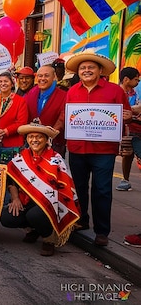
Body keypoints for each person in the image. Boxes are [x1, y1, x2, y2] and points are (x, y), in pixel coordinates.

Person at [56, 50, 131, 247]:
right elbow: (66, 116)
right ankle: (81, 220)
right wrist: (54, 130)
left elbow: (126, 114)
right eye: (83, 68)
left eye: (91, 67)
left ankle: (102, 231)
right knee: (78, 187)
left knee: (102, 189)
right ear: (78, 72)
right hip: (77, 148)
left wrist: (127, 118)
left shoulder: (115, 91)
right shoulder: (72, 91)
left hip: (104, 150)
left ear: (100, 71)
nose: (86, 70)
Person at [0, 121, 80, 256]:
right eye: (31, 136)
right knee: (7, 217)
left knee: (35, 214)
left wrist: (43, 201)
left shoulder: (56, 159)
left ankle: (49, 239)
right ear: (27, 139)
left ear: (46, 139)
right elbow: (11, 180)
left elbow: (64, 188)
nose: (35, 140)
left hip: (49, 204)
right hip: (25, 201)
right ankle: (33, 229)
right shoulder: (21, 157)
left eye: (39, 137)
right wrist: (15, 198)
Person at [0, 70, 29, 164]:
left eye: (5, 81)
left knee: (10, 173)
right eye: (0, 81)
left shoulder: (20, 101)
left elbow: (21, 122)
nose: (2, 84)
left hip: (12, 142)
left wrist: (5, 131)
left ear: (12, 84)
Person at [24, 65, 67, 156]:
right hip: (33, 142)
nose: (42, 78)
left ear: (54, 77)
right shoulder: (31, 93)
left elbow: (63, 116)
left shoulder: (64, 95)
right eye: (40, 76)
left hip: (54, 143)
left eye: (46, 75)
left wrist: (53, 131)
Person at [118, 66, 141, 191]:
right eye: (136, 79)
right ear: (126, 79)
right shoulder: (117, 92)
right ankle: (125, 179)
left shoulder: (135, 93)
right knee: (127, 154)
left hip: (136, 127)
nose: (137, 82)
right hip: (126, 128)